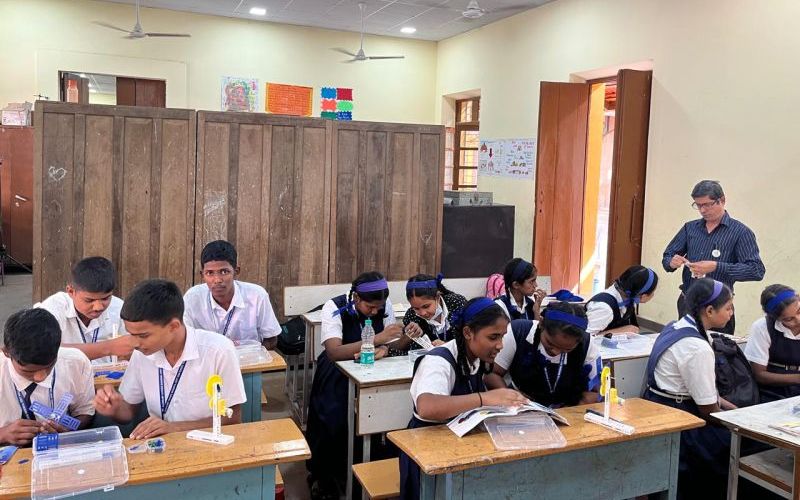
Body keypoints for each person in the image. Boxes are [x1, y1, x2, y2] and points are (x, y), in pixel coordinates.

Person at [398, 297, 528, 500]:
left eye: (502, 337)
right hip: (427, 456)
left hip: (456, 448)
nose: (500, 345)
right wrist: (485, 398)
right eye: (493, 337)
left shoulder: (475, 357)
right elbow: (427, 407)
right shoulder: (438, 361)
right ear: (468, 333)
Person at [93, 279, 246, 440]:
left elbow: (232, 419)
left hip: (209, 444)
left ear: (174, 326)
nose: (135, 343)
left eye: (143, 335)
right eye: (131, 334)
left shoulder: (219, 351)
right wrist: (114, 409)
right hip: (162, 446)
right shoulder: (142, 354)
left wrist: (174, 428)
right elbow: (128, 412)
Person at [305, 272, 403, 500]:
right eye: (370, 307)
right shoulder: (334, 306)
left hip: (372, 368)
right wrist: (376, 340)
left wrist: (385, 348)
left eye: (379, 308)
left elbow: (391, 341)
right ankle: (324, 477)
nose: (375, 312)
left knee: (373, 418)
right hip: (337, 372)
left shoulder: (383, 303)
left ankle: (365, 472)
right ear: (356, 298)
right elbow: (334, 351)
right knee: (334, 419)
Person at [643, 278, 737, 498]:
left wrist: (734, 409)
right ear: (710, 311)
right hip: (680, 419)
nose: (732, 313)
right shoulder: (697, 347)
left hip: (657, 405)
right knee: (733, 447)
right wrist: (738, 423)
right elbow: (708, 411)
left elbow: (707, 393)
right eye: (728, 308)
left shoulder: (675, 326)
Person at [662, 180, 765, 334]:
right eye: (698, 205)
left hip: (719, 307)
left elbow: (756, 270)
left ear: (722, 200)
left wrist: (716, 266)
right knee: (687, 343)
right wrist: (671, 262)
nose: (702, 210)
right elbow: (667, 256)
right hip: (688, 302)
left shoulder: (741, 232)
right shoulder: (690, 228)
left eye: (707, 204)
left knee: (719, 347)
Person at [0, 309, 95, 445]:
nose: (41, 377)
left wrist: (69, 431)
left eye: (49, 366)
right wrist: (3, 434)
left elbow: (85, 410)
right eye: (28, 371)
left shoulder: (76, 363)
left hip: (61, 448)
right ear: (6, 352)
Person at [486, 302, 602, 407]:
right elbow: (491, 374)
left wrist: (569, 412)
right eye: (550, 343)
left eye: (566, 349)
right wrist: (510, 397)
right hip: (522, 405)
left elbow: (596, 393)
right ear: (541, 323)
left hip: (567, 407)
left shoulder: (587, 345)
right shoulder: (518, 332)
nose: (555, 352)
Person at [184, 240, 281, 349]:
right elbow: (184, 338)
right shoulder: (192, 298)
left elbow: (271, 339)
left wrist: (255, 354)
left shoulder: (257, 296)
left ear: (236, 271)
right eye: (210, 273)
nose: (217, 280)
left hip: (248, 358)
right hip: (209, 359)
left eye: (224, 272)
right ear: (202, 275)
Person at [36, 256, 135, 362]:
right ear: (71, 291)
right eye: (89, 300)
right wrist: (108, 348)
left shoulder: (119, 308)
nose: (98, 307)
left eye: (105, 298)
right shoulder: (52, 309)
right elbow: (42, 349)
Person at [744, 285, 800, 402]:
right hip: (773, 392)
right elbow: (759, 374)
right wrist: (797, 378)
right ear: (776, 318)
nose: (798, 320)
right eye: (789, 319)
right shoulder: (762, 327)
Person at [398, 274, 467, 350]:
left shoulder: (456, 304)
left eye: (426, 306)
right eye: (416, 308)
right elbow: (403, 350)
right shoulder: (412, 315)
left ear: (437, 297)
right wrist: (409, 335)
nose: (422, 313)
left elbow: (472, 339)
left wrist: (449, 345)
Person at [585, 265, 658, 336]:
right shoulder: (604, 308)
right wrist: (619, 331)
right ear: (643, 296)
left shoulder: (629, 299)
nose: (653, 295)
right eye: (653, 292)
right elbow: (583, 338)